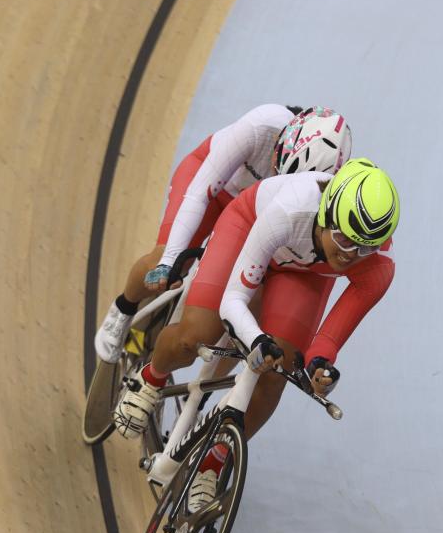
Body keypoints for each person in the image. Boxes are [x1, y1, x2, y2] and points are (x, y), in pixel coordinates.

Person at [113, 159, 399, 511]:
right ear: (326, 215)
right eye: (342, 238)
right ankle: (151, 377)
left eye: (364, 248)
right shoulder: (290, 209)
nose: (349, 254)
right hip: (249, 228)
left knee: (274, 376)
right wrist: (256, 338)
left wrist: (321, 368)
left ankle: (214, 460)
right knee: (196, 335)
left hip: (305, 274)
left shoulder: (376, 268)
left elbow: (327, 342)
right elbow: (233, 301)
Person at [93, 104, 353, 363]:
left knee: (250, 309)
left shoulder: (326, 193)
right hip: (216, 190)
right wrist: (169, 260)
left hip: (254, 216)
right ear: (281, 142)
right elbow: (198, 193)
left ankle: (201, 392)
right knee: (167, 258)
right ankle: (123, 308)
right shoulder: (262, 126)